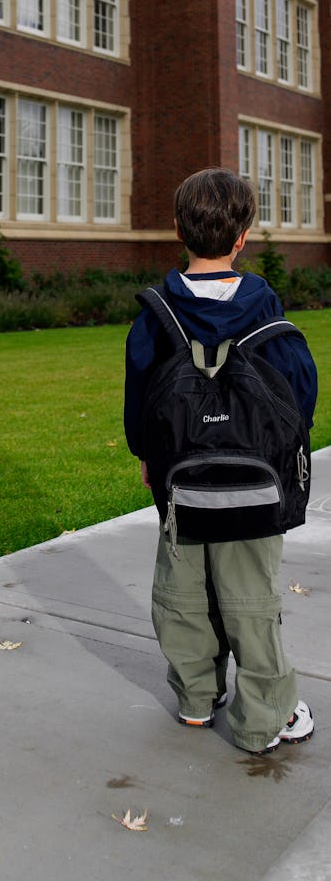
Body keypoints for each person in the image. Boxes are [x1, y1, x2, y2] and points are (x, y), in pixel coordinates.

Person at [124, 167, 318, 754]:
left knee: (181, 591)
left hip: (180, 482)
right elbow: (299, 396)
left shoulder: (156, 314)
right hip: (255, 486)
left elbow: (140, 398)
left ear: (178, 229)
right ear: (243, 237)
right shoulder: (266, 309)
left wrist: (147, 457)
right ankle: (264, 719)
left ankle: (195, 699)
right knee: (250, 598)